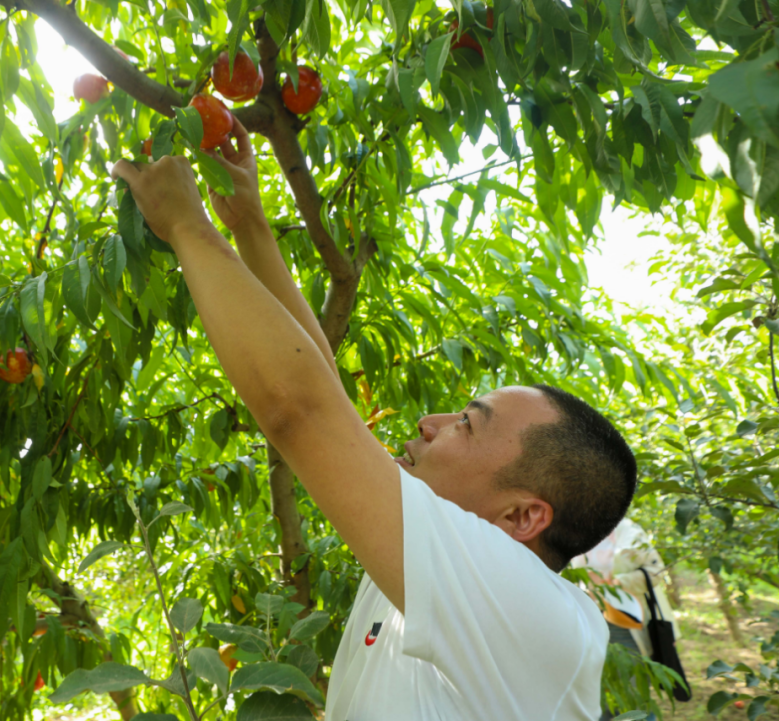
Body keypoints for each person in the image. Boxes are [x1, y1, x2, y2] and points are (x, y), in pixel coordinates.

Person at [110, 120, 638, 720]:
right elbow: (326, 396)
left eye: (467, 423)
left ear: (521, 517)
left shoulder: (534, 614)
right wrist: (250, 227)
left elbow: (300, 409)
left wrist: (186, 226)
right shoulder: (434, 569)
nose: (432, 422)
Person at [572, 517, 682, 719]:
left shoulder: (629, 531)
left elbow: (655, 571)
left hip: (626, 621)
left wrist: (618, 583)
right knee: (598, 687)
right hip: (589, 621)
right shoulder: (576, 527)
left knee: (631, 687)